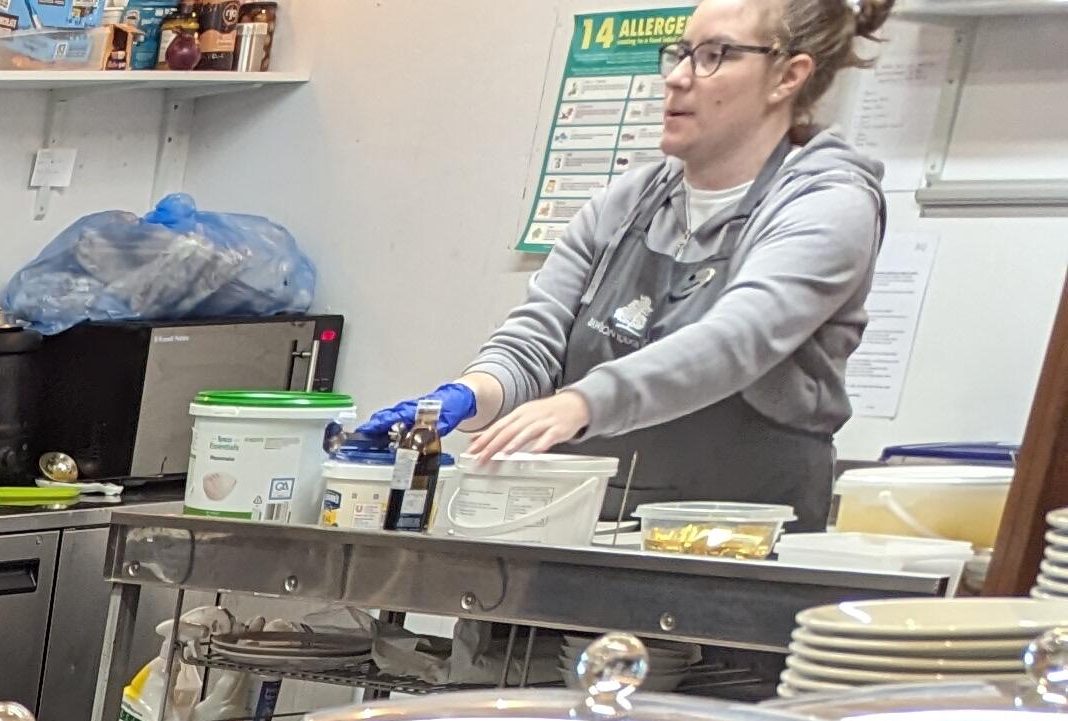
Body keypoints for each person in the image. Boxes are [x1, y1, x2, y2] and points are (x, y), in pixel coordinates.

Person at [358, 0, 894, 525]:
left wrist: (581, 404)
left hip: (738, 542)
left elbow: (736, 341)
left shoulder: (829, 203)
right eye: (681, 53)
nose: (678, 78)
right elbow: (536, 341)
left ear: (787, 77)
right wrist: (468, 395)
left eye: (714, 55)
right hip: (584, 531)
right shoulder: (627, 203)